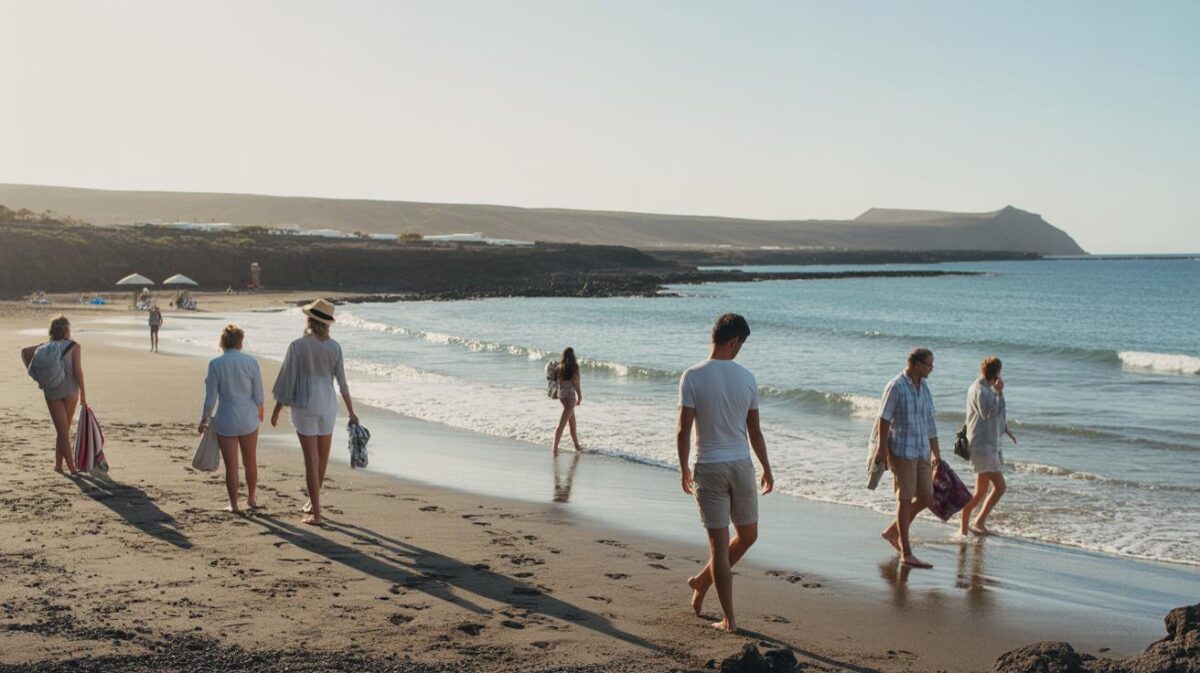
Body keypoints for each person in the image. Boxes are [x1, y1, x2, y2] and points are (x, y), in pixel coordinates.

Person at [677, 313, 773, 633]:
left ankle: (703, 581)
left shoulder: (692, 376)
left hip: (709, 467)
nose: (740, 349)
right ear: (733, 340)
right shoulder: (747, 377)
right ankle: (729, 620)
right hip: (741, 465)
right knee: (744, 536)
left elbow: (683, 430)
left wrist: (683, 467)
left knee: (734, 541)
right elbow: (755, 432)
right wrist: (766, 468)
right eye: (741, 343)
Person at [270, 299, 358, 526]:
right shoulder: (335, 347)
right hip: (327, 405)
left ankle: (316, 514)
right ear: (327, 323)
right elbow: (343, 384)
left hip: (304, 405)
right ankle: (313, 502)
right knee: (322, 458)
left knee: (311, 461)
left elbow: (287, 381)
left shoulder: (297, 346)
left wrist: (277, 409)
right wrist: (351, 412)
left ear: (309, 319)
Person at [874, 347, 941, 569]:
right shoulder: (896, 386)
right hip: (901, 451)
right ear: (917, 364)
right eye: (929, 364)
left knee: (927, 498)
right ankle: (906, 551)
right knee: (904, 499)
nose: (932, 368)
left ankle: (893, 531)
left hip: (921, 449)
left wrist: (936, 453)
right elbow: (883, 419)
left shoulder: (925, 388)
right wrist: (882, 450)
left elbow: (930, 422)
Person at [199, 324, 265, 514]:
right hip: (248, 418)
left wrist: (204, 419)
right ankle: (251, 498)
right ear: (240, 342)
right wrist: (260, 409)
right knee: (250, 461)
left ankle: (234, 504)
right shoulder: (251, 362)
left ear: (222, 342)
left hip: (226, 418)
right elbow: (258, 394)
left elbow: (210, 398)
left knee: (232, 466)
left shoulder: (215, 364)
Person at [959, 356, 1017, 536]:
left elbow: (994, 415)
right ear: (996, 373)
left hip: (988, 444)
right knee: (1000, 488)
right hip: (983, 446)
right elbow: (988, 413)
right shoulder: (980, 391)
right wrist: (999, 392)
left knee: (980, 491)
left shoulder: (983, 388)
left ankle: (967, 527)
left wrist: (1005, 429)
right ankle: (978, 521)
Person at [21, 316, 85, 474]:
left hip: (52, 391)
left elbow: (25, 352)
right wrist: (84, 392)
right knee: (64, 429)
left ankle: (58, 464)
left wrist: (38, 377)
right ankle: (71, 467)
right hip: (70, 391)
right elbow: (78, 371)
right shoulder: (74, 346)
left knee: (62, 429)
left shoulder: (45, 346)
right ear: (66, 330)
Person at [552, 347, 583, 453]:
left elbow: (558, 383)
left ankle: (577, 446)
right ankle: (554, 448)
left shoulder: (559, 367)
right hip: (570, 398)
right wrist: (580, 396)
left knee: (572, 423)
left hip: (562, 397)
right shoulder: (575, 368)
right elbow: (576, 384)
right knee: (562, 425)